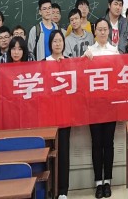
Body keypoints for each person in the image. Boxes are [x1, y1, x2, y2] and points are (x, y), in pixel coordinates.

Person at [83, 18, 118, 198]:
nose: (103, 32)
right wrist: (84, 60)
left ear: (109, 32)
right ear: (95, 32)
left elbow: (119, 76)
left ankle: (108, 181)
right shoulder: (89, 51)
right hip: (94, 105)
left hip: (110, 104)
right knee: (96, 143)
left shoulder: (115, 52)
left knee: (108, 143)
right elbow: (82, 76)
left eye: (105, 29)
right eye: (100, 29)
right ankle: (98, 182)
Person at [44, 29, 70, 198]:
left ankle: (62, 191)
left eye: (60, 40)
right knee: (48, 152)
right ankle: (49, 188)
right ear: (50, 44)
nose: (58, 44)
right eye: (55, 41)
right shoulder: (43, 63)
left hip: (66, 114)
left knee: (64, 152)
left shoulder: (70, 62)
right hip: (48, 116)